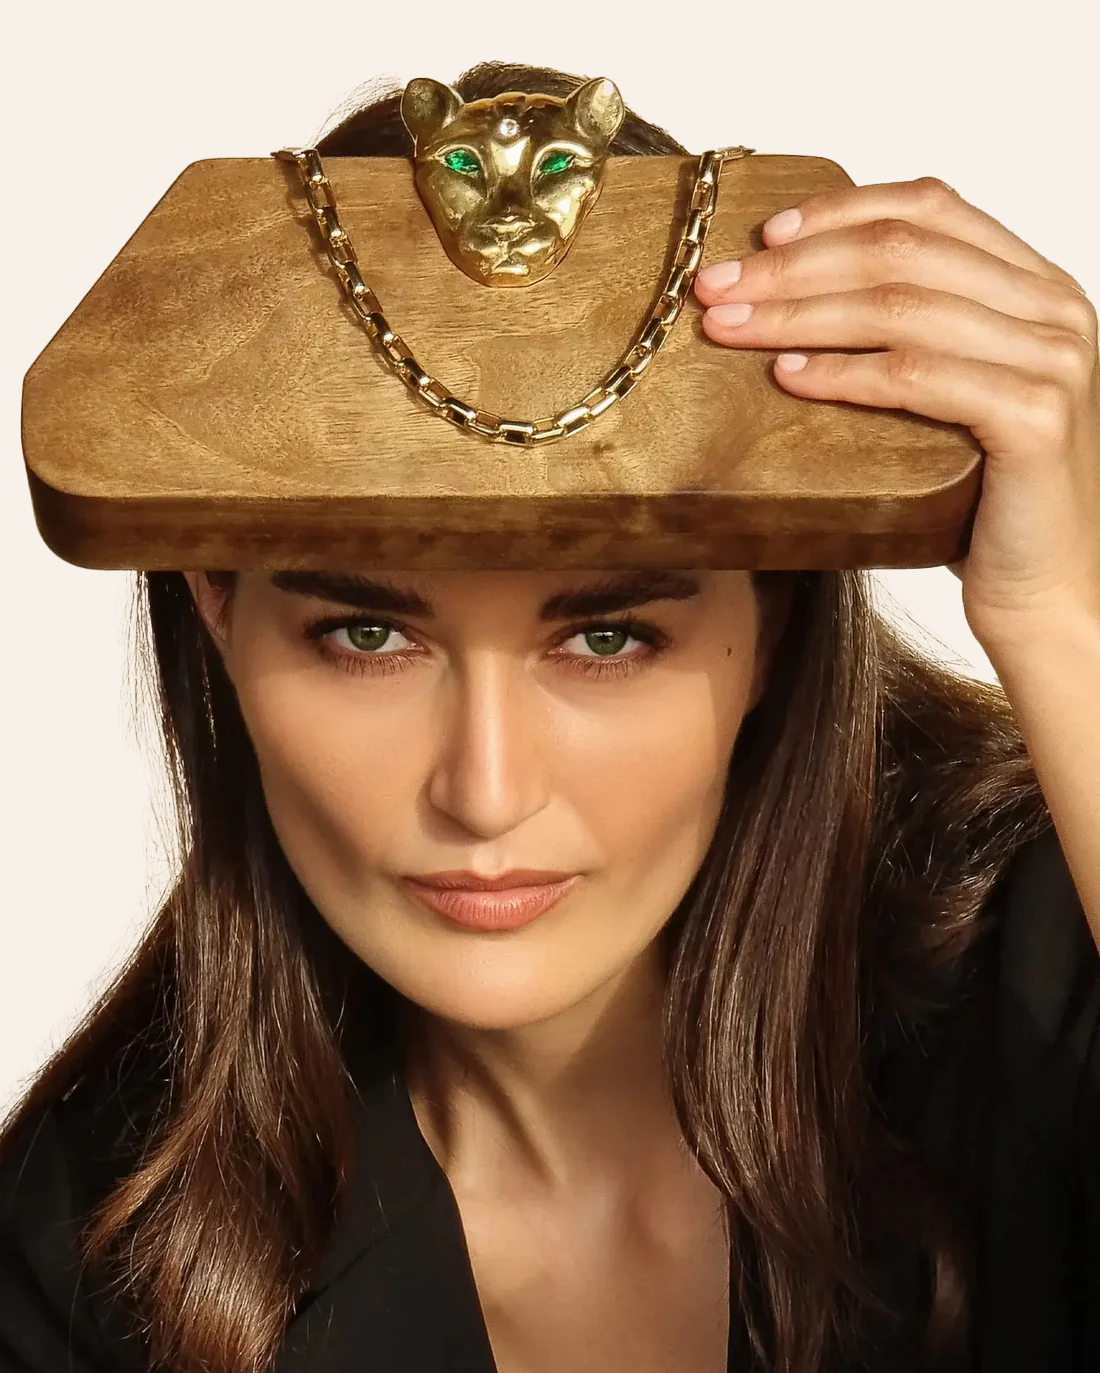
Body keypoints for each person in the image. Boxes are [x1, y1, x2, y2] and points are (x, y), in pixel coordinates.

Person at [2, 59, 1099, 1373]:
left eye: (606, 638)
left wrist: (1063, 618)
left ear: (777, 624)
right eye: (368, 636)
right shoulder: (89, 1255)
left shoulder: (1032, 949)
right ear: (216, 609)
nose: (486, 789)